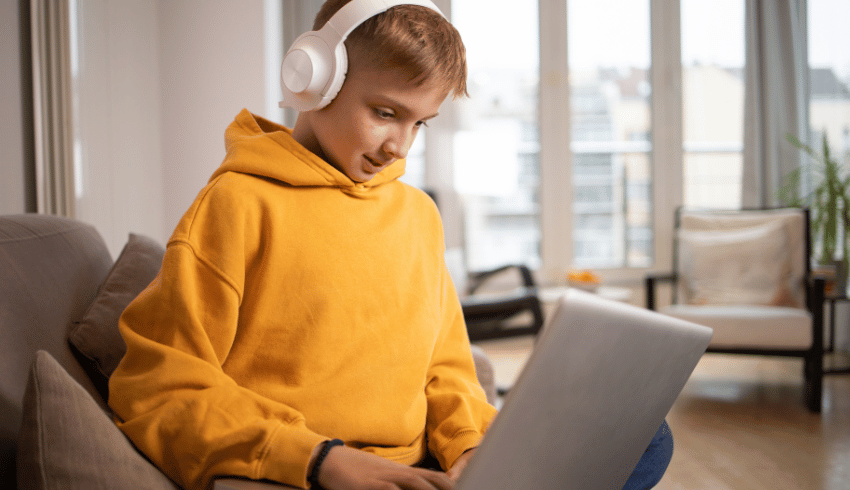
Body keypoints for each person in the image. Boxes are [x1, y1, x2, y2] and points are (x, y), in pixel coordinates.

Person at [109, 1, 673, 489]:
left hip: (416, 467)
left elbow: (446, 369)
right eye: (385, 113)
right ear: (314, 79)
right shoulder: (236, 205)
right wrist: (320, 459)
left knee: (648, 438)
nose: (398, 146)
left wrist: (470, 449)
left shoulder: (417, 215)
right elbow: (158, 385)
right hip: (298, 471)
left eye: (420, 123)